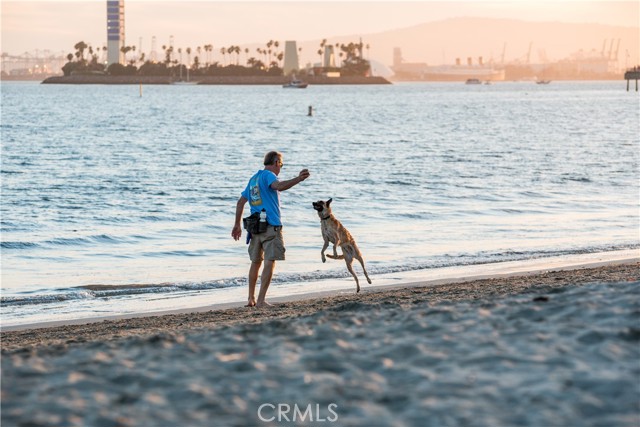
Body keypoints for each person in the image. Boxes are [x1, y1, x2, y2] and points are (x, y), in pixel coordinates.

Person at [232, 151, 310, 308]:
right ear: (276, 162)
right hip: (270, 226)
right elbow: (279, 186)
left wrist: (237, 225)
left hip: (255, 228)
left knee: (255, 262)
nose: (280, 168)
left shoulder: (253, 179)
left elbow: (241, 202)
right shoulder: (269, 176)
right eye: (281, 164)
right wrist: (298, 179)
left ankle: (250, 299)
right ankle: (260, 301)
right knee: (269, 261)